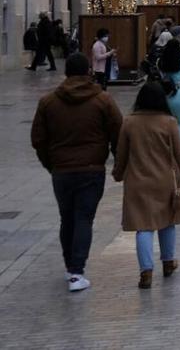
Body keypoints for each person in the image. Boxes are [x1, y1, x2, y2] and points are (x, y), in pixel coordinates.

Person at [30, 53, 124, 293]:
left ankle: (70, 266)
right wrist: (117, 162)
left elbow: (38, 139)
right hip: (91, 169)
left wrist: (50, 164)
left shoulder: (48, 102)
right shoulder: (102, 100)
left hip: (61, 171)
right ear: (88, 72)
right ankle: (76, 271)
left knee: (67, 217)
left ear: (66, 73)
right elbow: (118, 132)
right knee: (84, 218)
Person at [112, 83, 180, 289]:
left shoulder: (129, 122)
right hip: (164, 180)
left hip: (137, 182)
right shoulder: (169, 122)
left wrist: (118, 173)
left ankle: (146, 272)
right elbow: (179, 153)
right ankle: (168, 262)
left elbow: (121, 153)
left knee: (143, 227)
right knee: (167, 221)